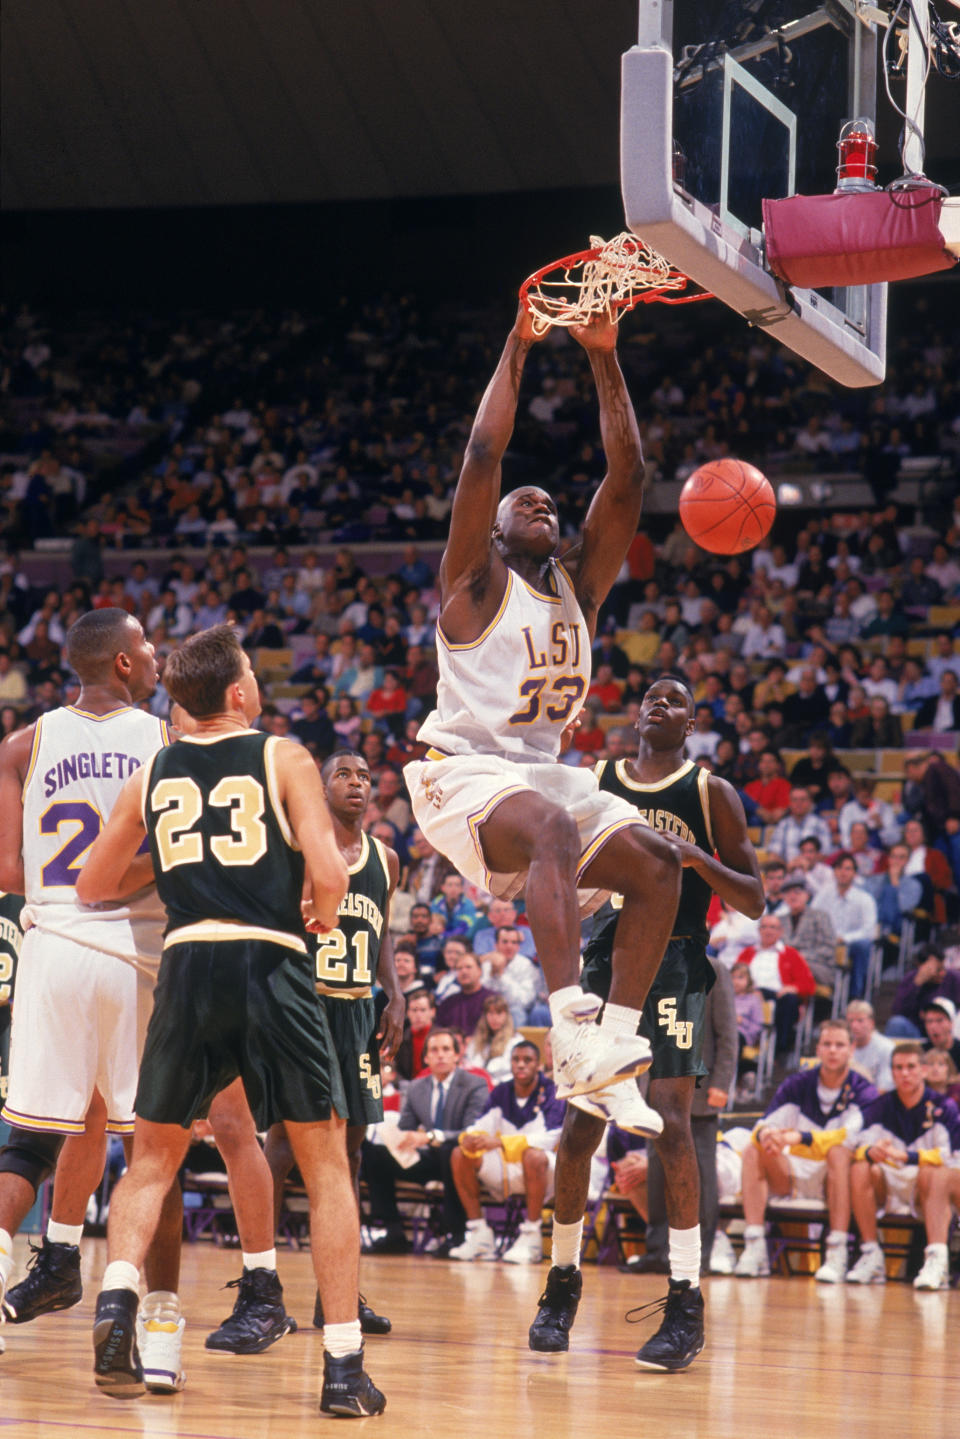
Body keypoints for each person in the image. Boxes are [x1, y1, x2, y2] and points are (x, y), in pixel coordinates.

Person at [75, 625, 384, 1417]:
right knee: (324, 1165)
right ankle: (344, 1366)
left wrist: (181, 860)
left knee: (152, 1159)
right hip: (270, 962)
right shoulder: (283, 756)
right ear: (241, 692)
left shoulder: (154, 771)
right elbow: (329, 870)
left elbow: (94, 882)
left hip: (187, 965)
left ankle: (115, 1302)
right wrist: (320, 910)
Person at [403, 306, 682, 1135]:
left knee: (658, 862)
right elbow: (485, 452)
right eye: (523, 501)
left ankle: (612, 1058)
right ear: (489, 527)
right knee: (557, 824)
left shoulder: (579, 589)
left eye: (551, 502)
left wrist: (603, 355)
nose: (541, 502)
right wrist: (520, 341)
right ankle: (569, 1028)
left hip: (536, 770)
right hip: (460, 770)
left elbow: (628, 478)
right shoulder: (473, 580)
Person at [529, 675, 763, 1372]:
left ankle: (685, 1298)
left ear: (691, 724)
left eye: (676, 700)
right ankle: (561, 1283)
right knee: (580, 1129)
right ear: (636, 715)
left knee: (667, 1117)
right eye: (652, 696)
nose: (660, 703)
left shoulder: (708, 791)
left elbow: (752, 896)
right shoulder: (596, 778)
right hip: (606, 956)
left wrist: (697, 860)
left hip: (681, 960)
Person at [0, 610, 184, 1384]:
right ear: (121, 663)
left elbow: (10, 875)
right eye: (146, 648)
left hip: (52, 948)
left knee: (39, 1136)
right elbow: (178, 853)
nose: (155, 657)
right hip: (136, 949)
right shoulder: (164, 741)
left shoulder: (22, 744)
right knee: (156, 1146)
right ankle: (145, 1324)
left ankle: (58, 1254)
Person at [264, 749, 405, 1340]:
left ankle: (336, 1295)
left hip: (358, 1011)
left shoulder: (387, 859)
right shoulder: (297, 851)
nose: (357, 784)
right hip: (306, 1006)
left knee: (349, 1153)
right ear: (320, 789)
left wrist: (394, 992)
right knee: (282, 1147)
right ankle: (261, 1287)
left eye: (365, 777)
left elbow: (384, 929)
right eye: (343, 775)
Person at [733, 1020, 877, 1283]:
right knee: (754, 1149)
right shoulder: (797, 1084)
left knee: (839, 1152)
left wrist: (800, 1136)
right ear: (818, 1049)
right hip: (792, 1173)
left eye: (839, 1045)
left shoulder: (863, 1090)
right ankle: (755, 1247)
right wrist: (768, 1135)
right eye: (827, 1044)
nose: (833, 1050)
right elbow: (763, 1124)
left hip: (834, 1177)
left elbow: (848, 1137)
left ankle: (837, 1252)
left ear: (851, 1050)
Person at [360, 1028, 488, 1254]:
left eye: (446, 1049)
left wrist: (430, 1136)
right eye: (434, 1050)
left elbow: (472, 1131)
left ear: (457, 1055)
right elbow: (406, 1127)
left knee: (451, 1150)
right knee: (372, 1152)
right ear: (426, 1058)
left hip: (462, 1159)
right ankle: (392, 1231)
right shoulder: (417, 1088)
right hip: (428, 1160)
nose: (441, 1055)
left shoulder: (474, 1084)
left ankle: (454, 1234)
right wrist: (398, 1137)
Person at [846, 1042, 960, 1290]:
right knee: (859, 1167)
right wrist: (869, 1150)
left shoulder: (944, 1107)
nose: (904, 1074)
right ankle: (870, 1254)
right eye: (898, 1068)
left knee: (935, 1172)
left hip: (930, 1187)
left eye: (911, 1067)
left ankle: (937, 1260)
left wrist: (907, 1156)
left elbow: (952, 1157)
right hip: (888, 1185)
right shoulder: (881, 1105)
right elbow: (849, 1137)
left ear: (924, 1070)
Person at [448, 1040, 566, 1264]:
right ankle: (480, 1234)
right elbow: (481, 1124)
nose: (521, 1065)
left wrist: (501, 1143)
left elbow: (552, 1138)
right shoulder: (502, 1090)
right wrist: (472, 1137)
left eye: (528, 1060)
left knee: (533, 1155)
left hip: (546, 1171)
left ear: (538, 1065)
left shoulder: (552, 1092)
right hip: (506, 1168)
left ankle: (531, 1236)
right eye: (516, 1060)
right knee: (459, 1153)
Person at [463, 994, 522, 1085]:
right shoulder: (475, 1041)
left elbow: (514, 1072)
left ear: (506, 1015)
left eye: (499, 1013)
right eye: (490, 1013)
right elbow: (469, 1065)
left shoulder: (515, 1041)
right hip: (476, 1086)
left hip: (502, 1087)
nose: (494, 1018)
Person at [846, 1000, 895, 1092]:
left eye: (860, 1020)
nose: (854, 1026)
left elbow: (885, 1089)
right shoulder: (842, 1047)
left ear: (871, 1023)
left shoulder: (886, 1048)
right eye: (850, 1021)